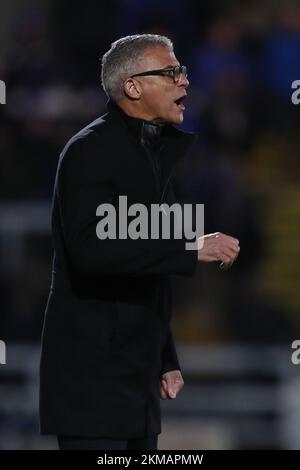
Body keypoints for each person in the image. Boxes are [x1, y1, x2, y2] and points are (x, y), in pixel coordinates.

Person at [39, 34, 240, 451]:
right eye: (170, 72)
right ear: (132, 87)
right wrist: (188, 247)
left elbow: (145, 267)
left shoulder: (154, 154)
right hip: (92, 387)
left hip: (136, 383)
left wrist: (165, 356)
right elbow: (91, 250)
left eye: (181, 70)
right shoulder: (89, 151)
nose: (184, 81)